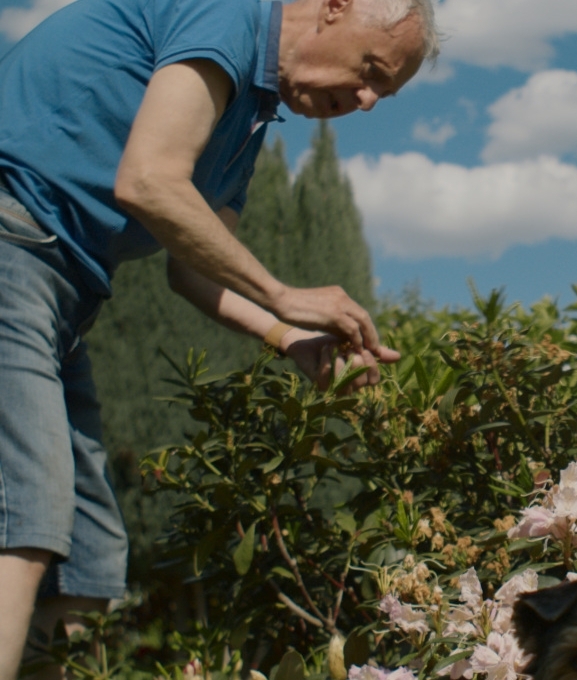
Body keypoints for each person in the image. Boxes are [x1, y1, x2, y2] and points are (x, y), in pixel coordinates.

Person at [0, 0, 440, 673]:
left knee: (87, 558)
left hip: (63, 293)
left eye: (382, 89)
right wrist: (284, 293)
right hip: (13, 244)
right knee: (27, 512)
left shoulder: (249, 119)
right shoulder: (228, 14)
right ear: (332, 9)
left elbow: (191, 268)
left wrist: (288, 335)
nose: (368, 99)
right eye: (371, 70)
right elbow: (149, 181)